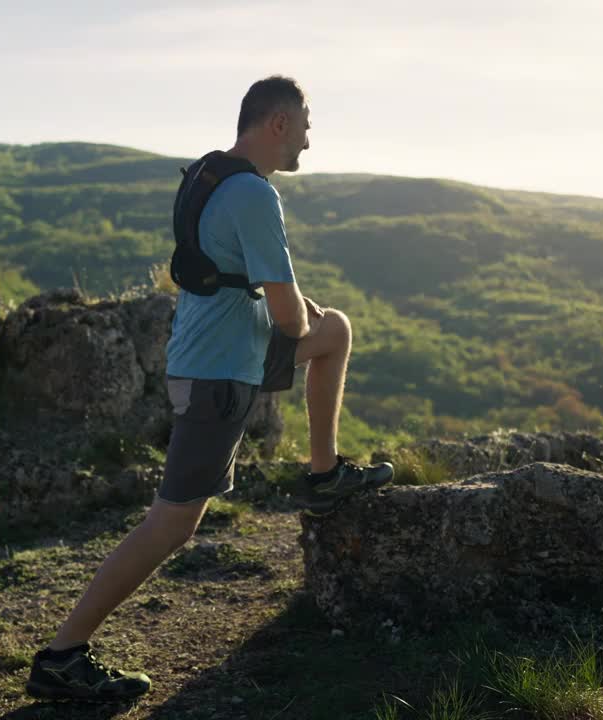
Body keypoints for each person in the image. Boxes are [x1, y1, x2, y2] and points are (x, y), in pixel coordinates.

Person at [24, 75, 394, 703]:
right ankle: (61, 656)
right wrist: (297, 307)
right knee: (171, 525)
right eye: (305, 124)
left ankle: (325, 473)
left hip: (219, 356)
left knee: (336, 330)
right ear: (278, 124)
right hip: (219, 374)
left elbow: (246, 284)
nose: (309, 138)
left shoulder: (211, 175)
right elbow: (288, 321)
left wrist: (299, 308)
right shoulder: (255, 195)